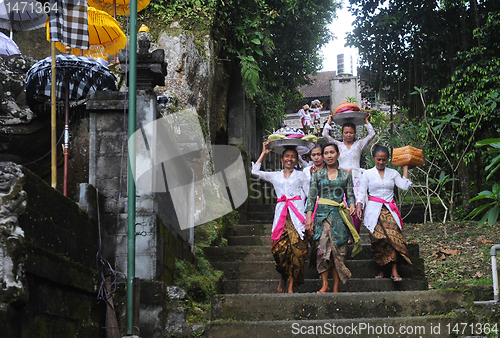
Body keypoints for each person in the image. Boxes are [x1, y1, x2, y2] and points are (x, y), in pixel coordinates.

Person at [251, 142, 310, 293]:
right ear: (282, 159)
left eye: (293, 157)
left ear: (297, 160)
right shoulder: (275, 175)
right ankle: (283, 276)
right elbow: (255, 172)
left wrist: (310, 217)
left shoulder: (302, 175)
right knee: (279, 251)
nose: (290, 159)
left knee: (297, 251)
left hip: (297, 216)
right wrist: (264, 153)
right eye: (287, 156)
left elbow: (310, 196)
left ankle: (291, 285)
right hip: (281, 218)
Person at [305, 143, 359, 293]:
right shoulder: (317, 175)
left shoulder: (345, 175)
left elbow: (350, 195)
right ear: (322, 156)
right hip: (321, 216)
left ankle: (335, 287)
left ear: (337, 154)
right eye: (326, 153)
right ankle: (325, 284)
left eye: (331, 152)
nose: (329, 155)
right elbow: (311, 197)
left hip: (339, 216)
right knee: (322, 249)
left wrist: (353, 205)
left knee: (338, 252)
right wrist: (309, 218)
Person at [356, 145, 412, 282]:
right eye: (378, 159)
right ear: (374, 158)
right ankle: (381, 269)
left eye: (384, 160)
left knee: (393, 238)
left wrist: (405, 167)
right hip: (373, 211)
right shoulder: (367, 174)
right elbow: (362, 192)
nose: (381, 162)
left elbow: (404, 186)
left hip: (389, 210)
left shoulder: (393, 173)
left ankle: (394, 270)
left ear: (388, 160)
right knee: (378, 240)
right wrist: (359, 207)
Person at [322, 113, 375, 234]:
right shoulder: (338, 145)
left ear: (355, 133)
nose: (348, 135)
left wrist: (366, 121)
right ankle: (345, 232)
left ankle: (355, 232)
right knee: (343, 204)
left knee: (358, 204)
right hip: (342, 179)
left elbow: (372, 134)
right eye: (346, 132)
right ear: (342, 134)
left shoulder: (359, 145)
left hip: (357, 179)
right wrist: (329, 121)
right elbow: (325, 134)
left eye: (351, 132)